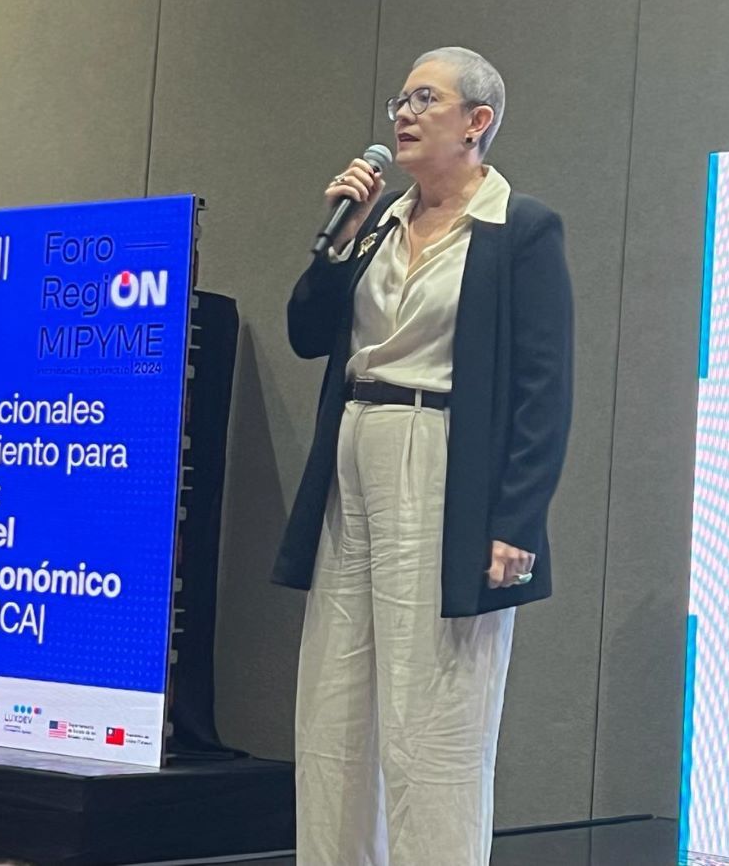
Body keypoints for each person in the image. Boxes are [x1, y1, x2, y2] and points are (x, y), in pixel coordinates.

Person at [272, 46, 573, 865]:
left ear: (476, 122)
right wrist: (340, 239)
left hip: (439, 457)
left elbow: (543, 389)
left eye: (423, 99)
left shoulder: (519, 229)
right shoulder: (376, 226)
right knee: (333, 705)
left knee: (433, 713)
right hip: (352, 454)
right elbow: (306, 334)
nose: (402, 115)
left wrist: (515, 521)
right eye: (399, 101)